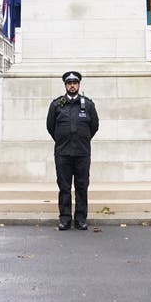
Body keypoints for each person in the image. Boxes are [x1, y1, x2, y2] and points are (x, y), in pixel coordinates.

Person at [46, 70, 99, 231]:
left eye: (75, 83)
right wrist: (62, 140)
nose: (72, 85)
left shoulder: (87, 104)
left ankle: (81, 219)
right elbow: (50, 127)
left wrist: (82, 139)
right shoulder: (57, 105)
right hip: (63, 153)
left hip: (82, 153)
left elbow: (94, 126)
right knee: (64, 187)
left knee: (82, 186)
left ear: (79, 84)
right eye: (69, 83)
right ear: (65, 85)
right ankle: (65, 219)